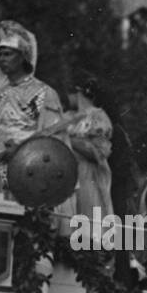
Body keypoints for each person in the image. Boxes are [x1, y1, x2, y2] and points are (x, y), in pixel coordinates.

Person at [0, 20, 65, 191]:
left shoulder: (44, 92)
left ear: (22, 57)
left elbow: (54, 137)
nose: (2, 59)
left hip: (31, 173)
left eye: (8, 54)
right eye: (1, 55)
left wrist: (23, 150)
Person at [63, 78, 114, 220]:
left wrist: (68, 140)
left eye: (70, 92)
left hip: (87, 176)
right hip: (68, 173)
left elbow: (99, 153)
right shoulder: (68, 116)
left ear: (79, 92)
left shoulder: (97, 116)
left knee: (87, 223)